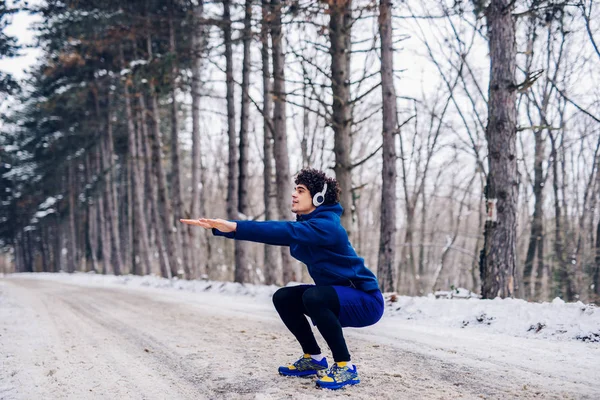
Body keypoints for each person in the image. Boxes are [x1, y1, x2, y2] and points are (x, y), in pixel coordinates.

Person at [180, 168, 384, 390]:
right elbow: (278, 233)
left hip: (366, 300)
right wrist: (227, 230)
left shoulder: (328, 226)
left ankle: (345, 366)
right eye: (295, 190)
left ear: (318, 197)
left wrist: (234, 226)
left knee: (314, 296)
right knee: (284, 296)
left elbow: (285, 231)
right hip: (338, 295)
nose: (294, 195)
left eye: (301, 190)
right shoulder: (309, 227)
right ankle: (313, 359)